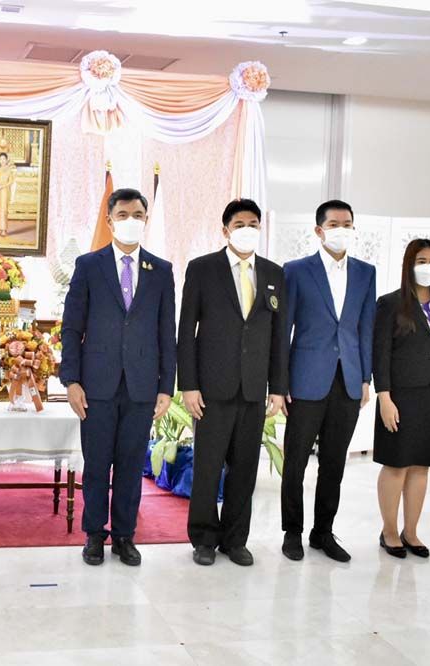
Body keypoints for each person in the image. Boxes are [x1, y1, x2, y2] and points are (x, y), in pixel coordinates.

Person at [61, 188, 177, 567]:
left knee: (130, 465)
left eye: (137, 215)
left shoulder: (161, 270)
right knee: (97, 464)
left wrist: (166, 386)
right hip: (96, 384)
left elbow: (167, 332)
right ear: (109, 221)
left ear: (146, 219)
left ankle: (125, 536)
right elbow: (71, 327)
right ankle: (95, 534)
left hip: (142, 386)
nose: (131, 221)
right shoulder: (89, 266)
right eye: (123, 215)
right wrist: (71, 380)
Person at [178, 199, 287, 567]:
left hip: (253, 389)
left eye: (253, 223)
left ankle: (235, 539)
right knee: (208, 468)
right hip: (212, 388)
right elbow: (186, 331)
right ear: (225, 230)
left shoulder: (273, 273)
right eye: (240, 224)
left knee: (244, 469)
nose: (247, 229)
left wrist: (278, 387)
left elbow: (278, 336)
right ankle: (204, 538)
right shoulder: (203, 269)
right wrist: (189, 385)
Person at [280, 199, 376, 563]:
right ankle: (292, 532)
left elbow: (365, 329)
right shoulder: (296, 271)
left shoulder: (365, 273)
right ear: (319, 230)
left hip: (348, 380)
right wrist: (281, 383)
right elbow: (283, 331)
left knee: (334, 463)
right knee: (296, 461)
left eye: (347, 224)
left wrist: (365, 377)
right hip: (305, 379)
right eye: (334, 224)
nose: (342, 230)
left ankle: (323, 532)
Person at [372, 239, 430, 559]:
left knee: (421, 465)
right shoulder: (390, 303)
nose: (428, 266)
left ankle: (411, 531)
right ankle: (389, 531)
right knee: (396, 464)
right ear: (409, 265)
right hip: (400, 397)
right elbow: (381, 353)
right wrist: (384, 397)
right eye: (421, 260)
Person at [0, 152, 15, 236]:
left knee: (4, 210)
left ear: (6, 160)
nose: (2, 160)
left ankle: (4, 229)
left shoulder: (9, 170)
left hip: (5, 191)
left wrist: (2, 186)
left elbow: (11, 181)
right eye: (1, 159)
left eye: (4, 159)